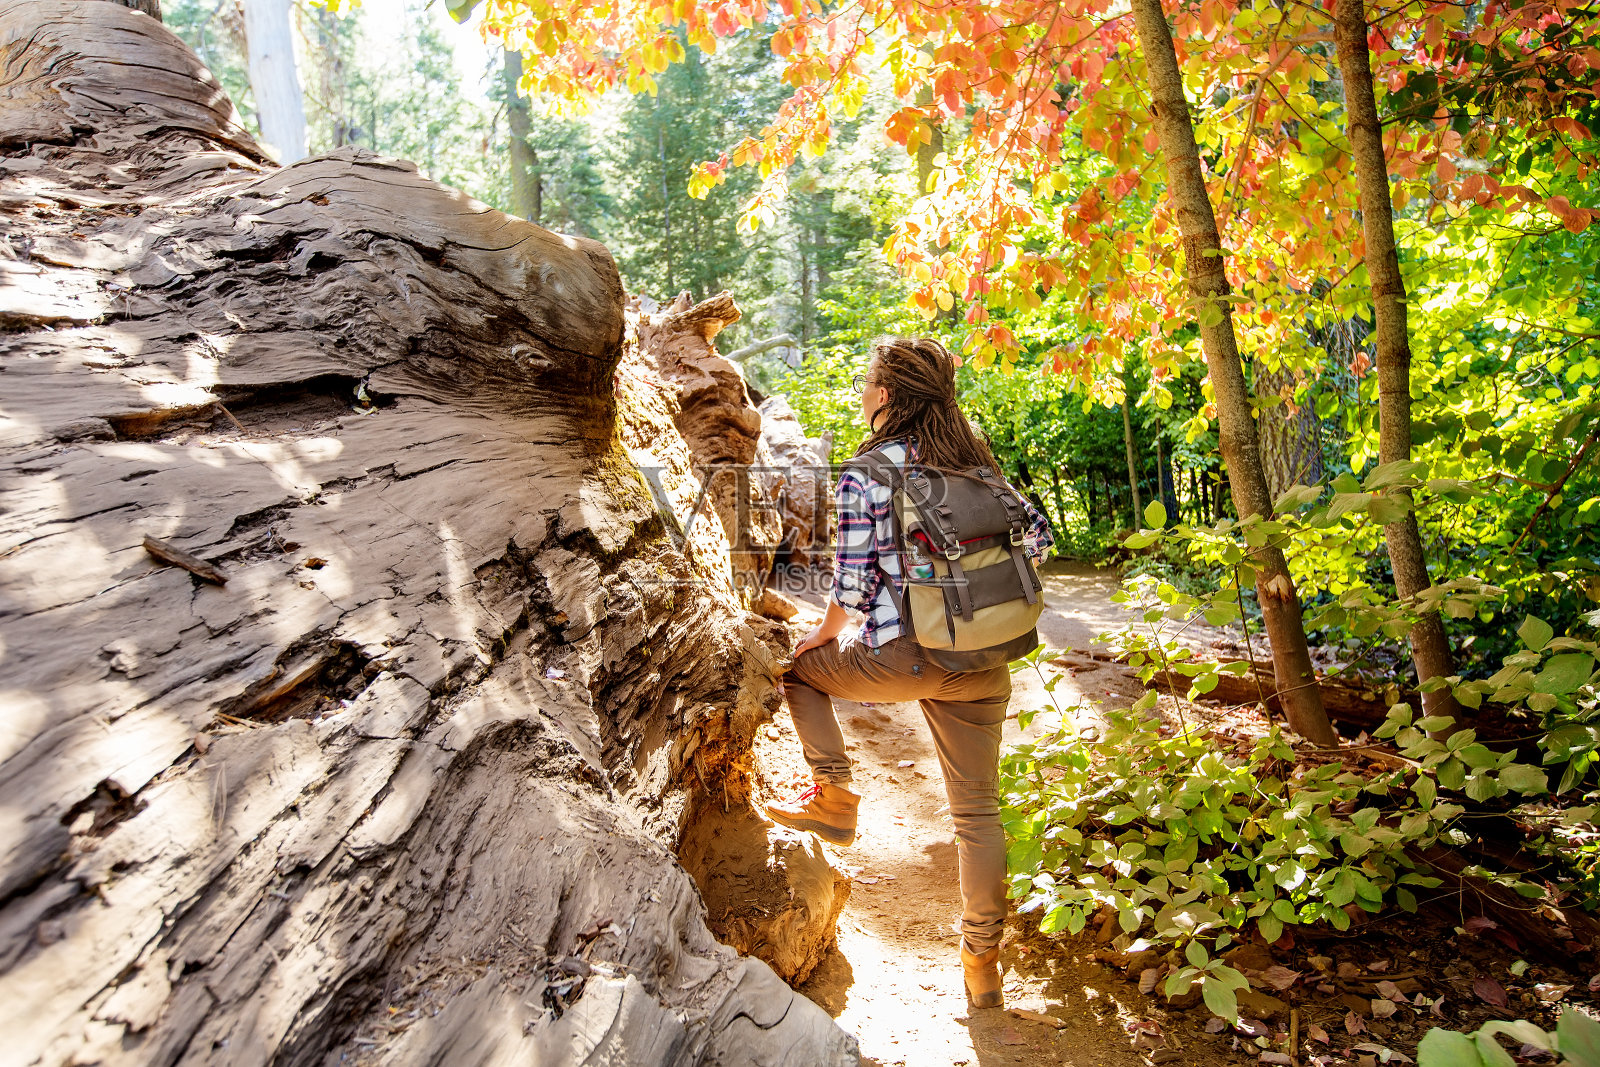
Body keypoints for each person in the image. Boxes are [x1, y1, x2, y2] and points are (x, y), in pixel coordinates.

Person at [765, 336, 1054, 1010]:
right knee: (978, 816)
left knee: (799, 674)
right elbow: (1036, 538)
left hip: (906, 654)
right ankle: (982, 964)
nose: (863, 392)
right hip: (985, 660)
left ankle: (834, 797)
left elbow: (855, 587)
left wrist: (823, 636)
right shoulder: (978, 463)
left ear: (887, 396)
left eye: (869, 382)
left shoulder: (870, 470)